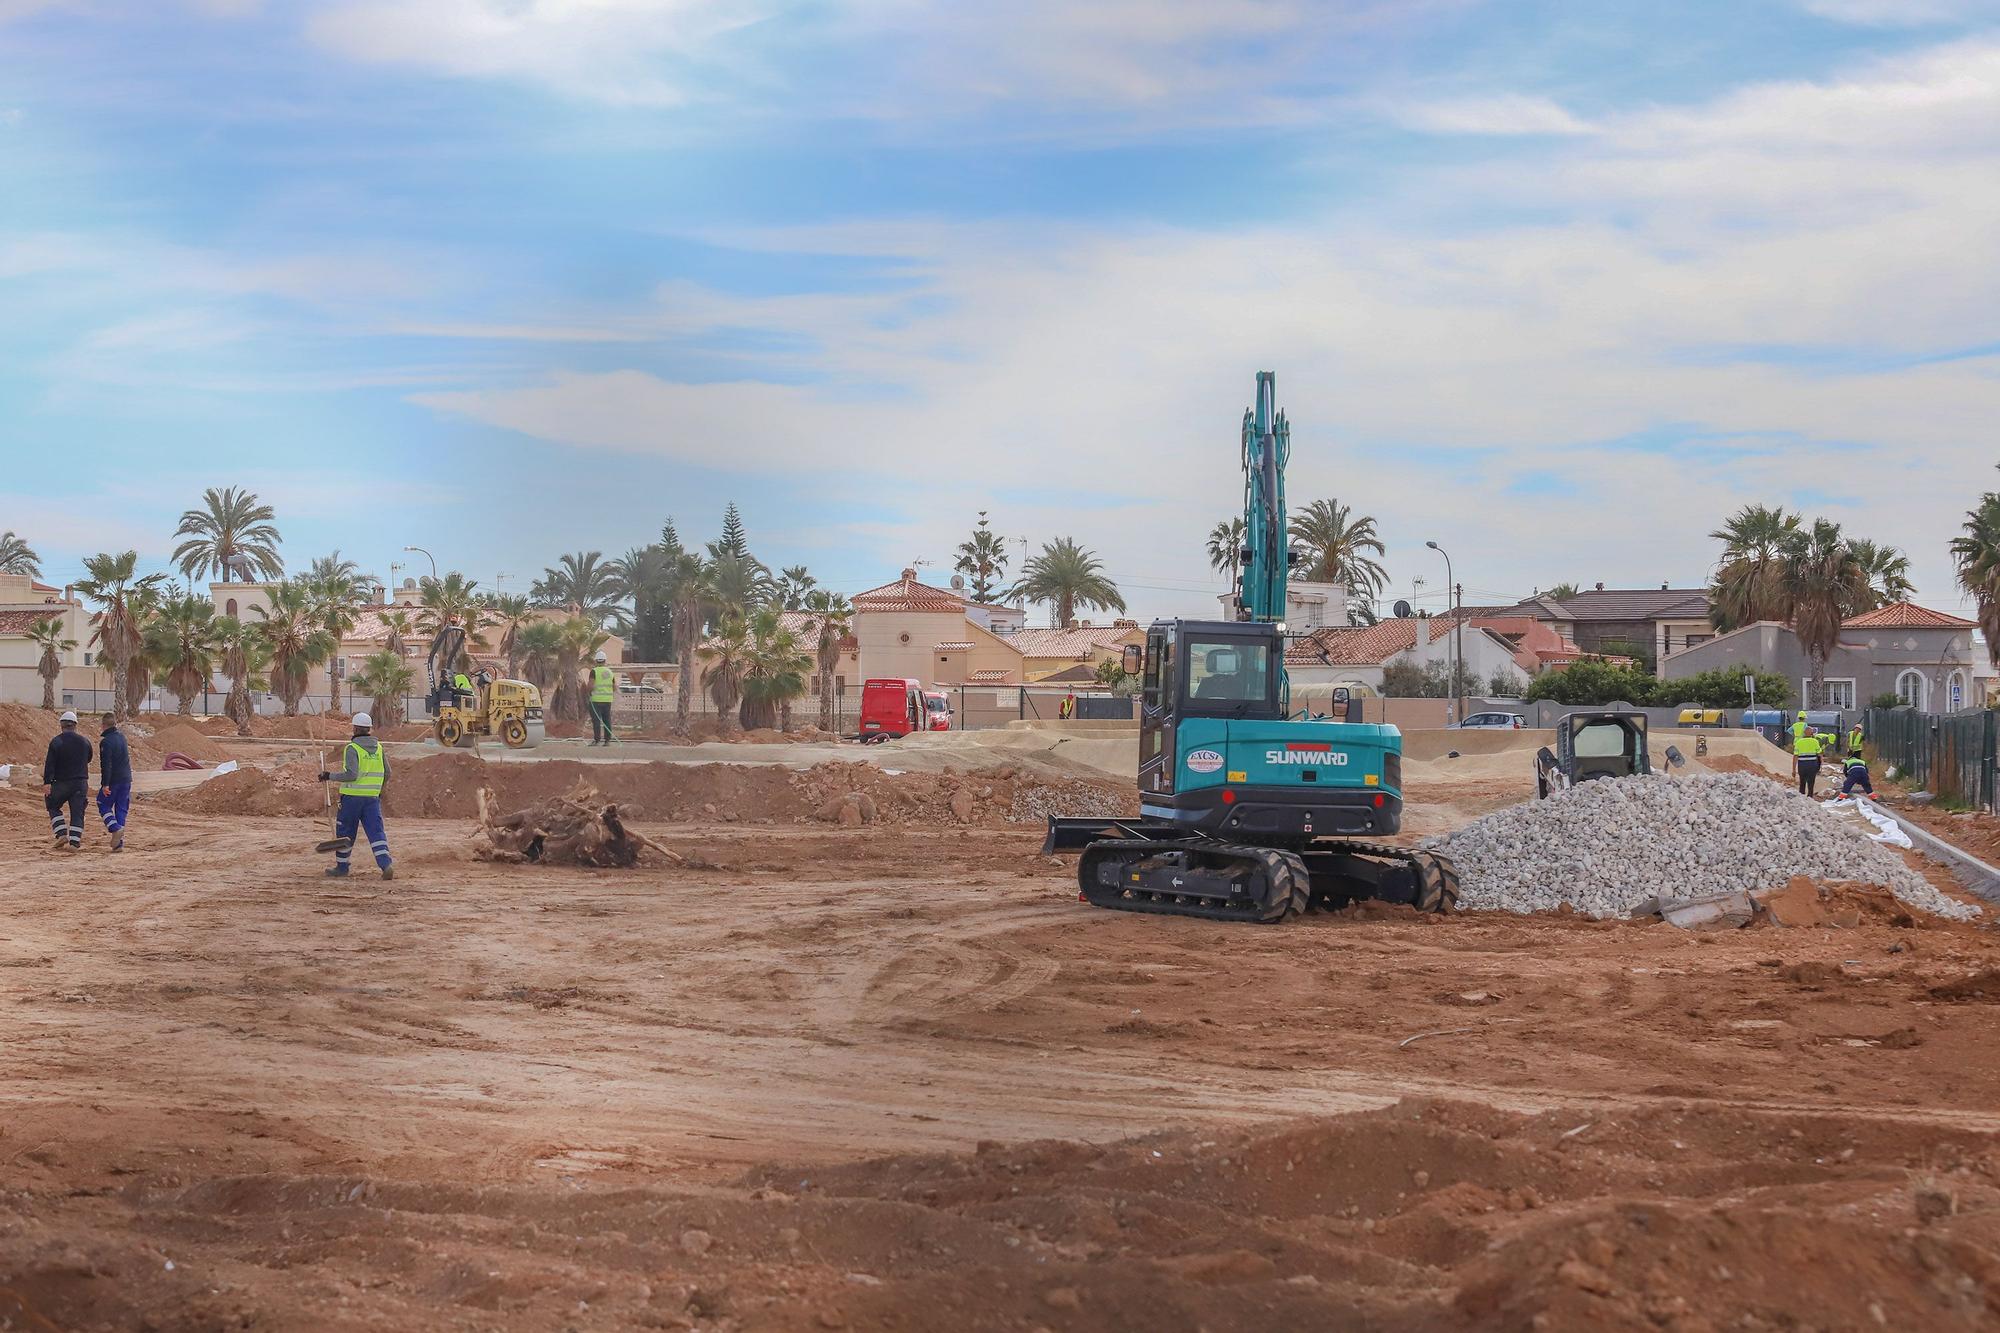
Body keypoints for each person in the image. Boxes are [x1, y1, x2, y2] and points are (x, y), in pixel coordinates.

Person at [318, 712, 394, 880]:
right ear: (369, 729)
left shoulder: (352, 748)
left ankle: (342, 867)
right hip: (372, 798)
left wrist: (329, 776)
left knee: (346, 832)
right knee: (376, 832)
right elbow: (388, 772)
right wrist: (379, 789)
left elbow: (351, 775)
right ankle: (386, 864)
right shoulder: (379, 748)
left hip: (352, 798)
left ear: (355, 728)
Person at [42, 710, 92, 852]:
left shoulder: (56, 741)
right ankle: (74, 843)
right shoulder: (85, 741)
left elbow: (50, 764)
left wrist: (47, 782)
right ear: (75, 725)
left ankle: (61, 834)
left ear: (61, 725)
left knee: (52, 805)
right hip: (80, 783)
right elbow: (89, 758)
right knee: (77, 811)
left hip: (61, 783)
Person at [96, 712, 131, 852]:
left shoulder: (106, 742)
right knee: (121, 809)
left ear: (103, 725)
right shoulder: (122, 737)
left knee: (102, 802)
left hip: (114, 780)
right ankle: (118, 844)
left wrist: (105, 784)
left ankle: (115, 828)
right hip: (126, 779)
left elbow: (106, 764)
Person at [589, 651, 616, 746]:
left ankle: (596, 740)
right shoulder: (610, 672)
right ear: (605, 660)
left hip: (596, 700)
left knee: (596, 721)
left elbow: (591, 685)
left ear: (596, 661)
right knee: (607, 720)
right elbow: (614, 688)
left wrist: (588, 693)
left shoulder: (594, 671)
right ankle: (607, 741)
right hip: (608, 700)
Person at [1794, 720, 1823, 798]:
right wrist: (1821, 766)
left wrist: (1793, 769)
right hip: (1812, 765)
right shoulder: (1815, 741)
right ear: (1811, 733)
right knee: (1811, 784)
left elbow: (1795, 756)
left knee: (1802, 783)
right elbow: (1819, 754)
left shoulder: (1799, 742)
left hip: (1802, 765)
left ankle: (1801, 798)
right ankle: (1810, 798)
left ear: (1804, 733)